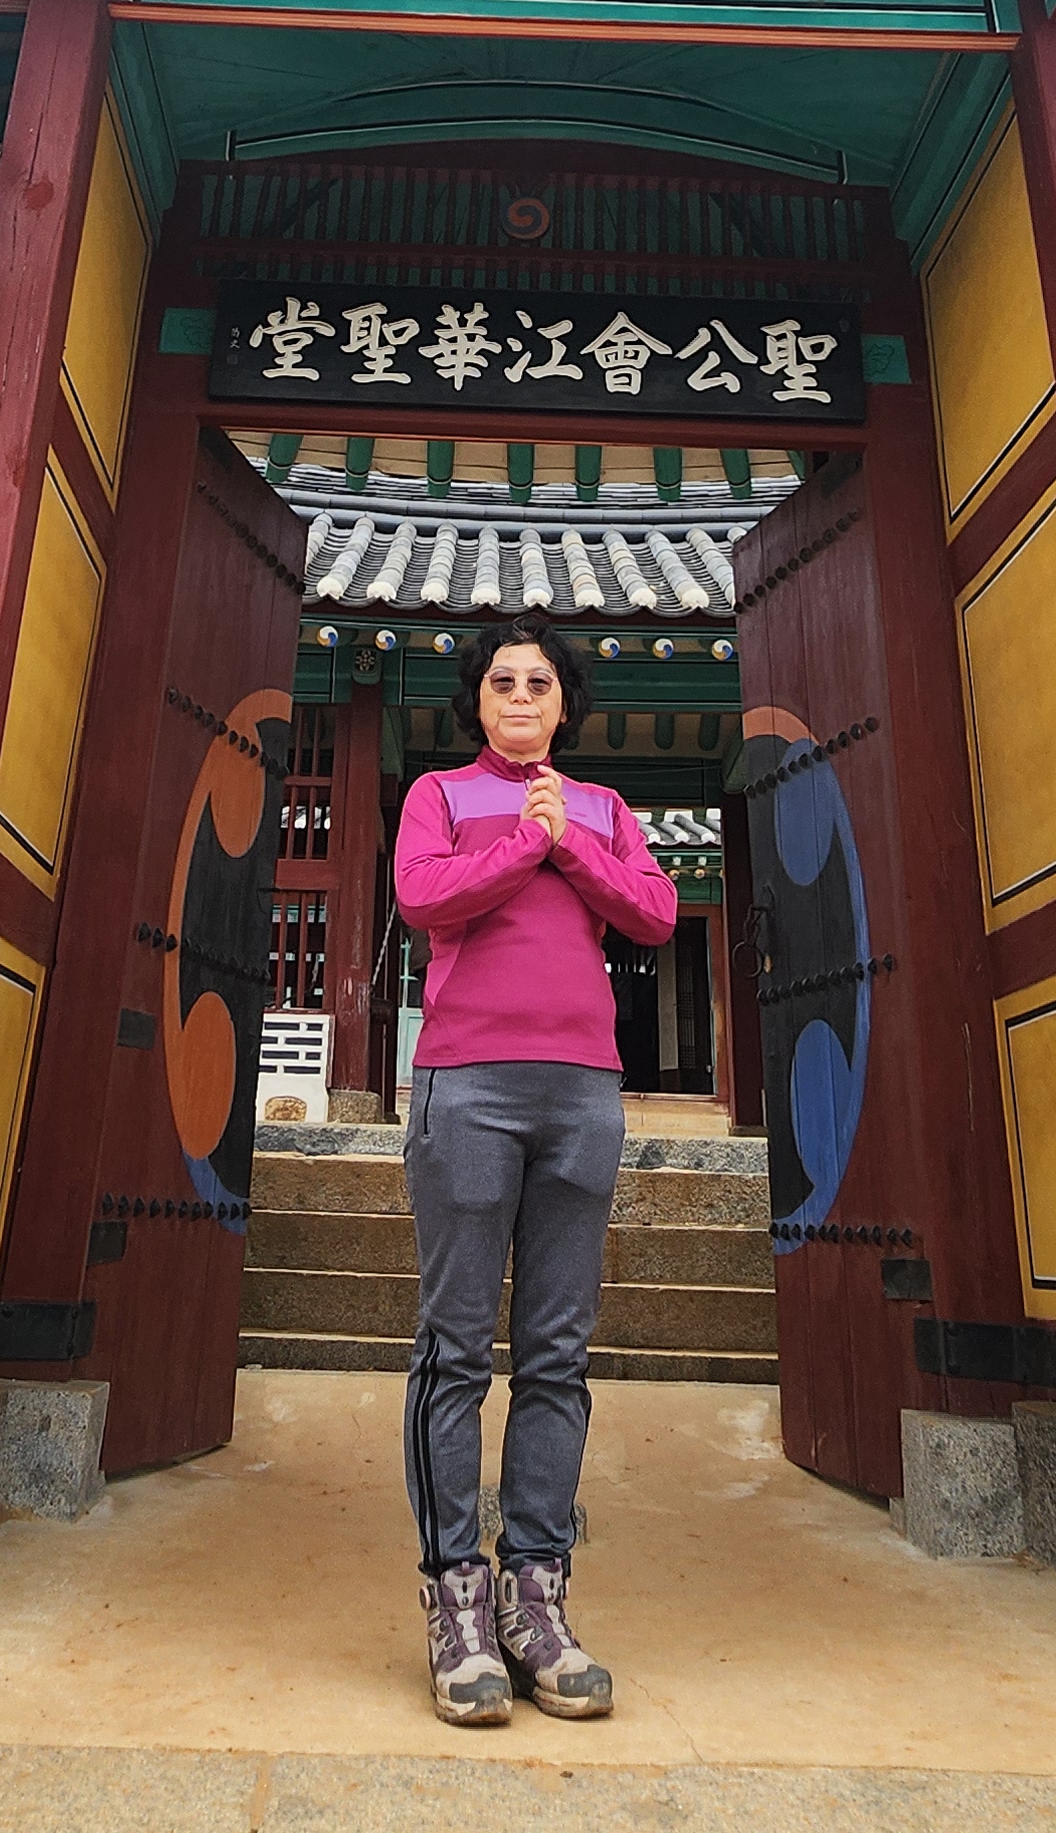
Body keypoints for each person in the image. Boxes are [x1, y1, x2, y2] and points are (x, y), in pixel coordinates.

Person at [390, 613, 685, 1725]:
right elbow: (424, 896)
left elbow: (654, 913)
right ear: (477, 701)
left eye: (540, 683)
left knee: (558, 1352)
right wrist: (528, 841)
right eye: (503, 682)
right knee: (456, 1347)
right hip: (468, 1085)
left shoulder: (603, 808)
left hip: (581, 1094)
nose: (520, 697)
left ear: (565, 705)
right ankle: (456, 1595)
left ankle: (536, 1595)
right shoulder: (438, 795)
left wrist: (572, 841)